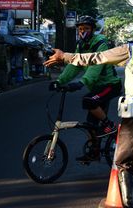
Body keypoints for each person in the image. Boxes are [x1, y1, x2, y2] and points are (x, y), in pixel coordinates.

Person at [44, 6, 133, 208]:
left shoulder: (131, 49)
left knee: (125, 163)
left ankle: (129, 204)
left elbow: (95, 58)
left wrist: (63, 56)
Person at [49, 15, 122, 162]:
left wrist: (81, 83)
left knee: (88, 100)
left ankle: (110, 125)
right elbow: (74, 65)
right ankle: (94, 152)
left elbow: (96, 67)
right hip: (97, 87)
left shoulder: (101, 43)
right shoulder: (81, 45)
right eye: (80, 29)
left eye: (86, 28)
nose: (83, 31)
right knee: (91, 125)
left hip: (110, 85)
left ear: (93, 29)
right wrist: (60, 81)